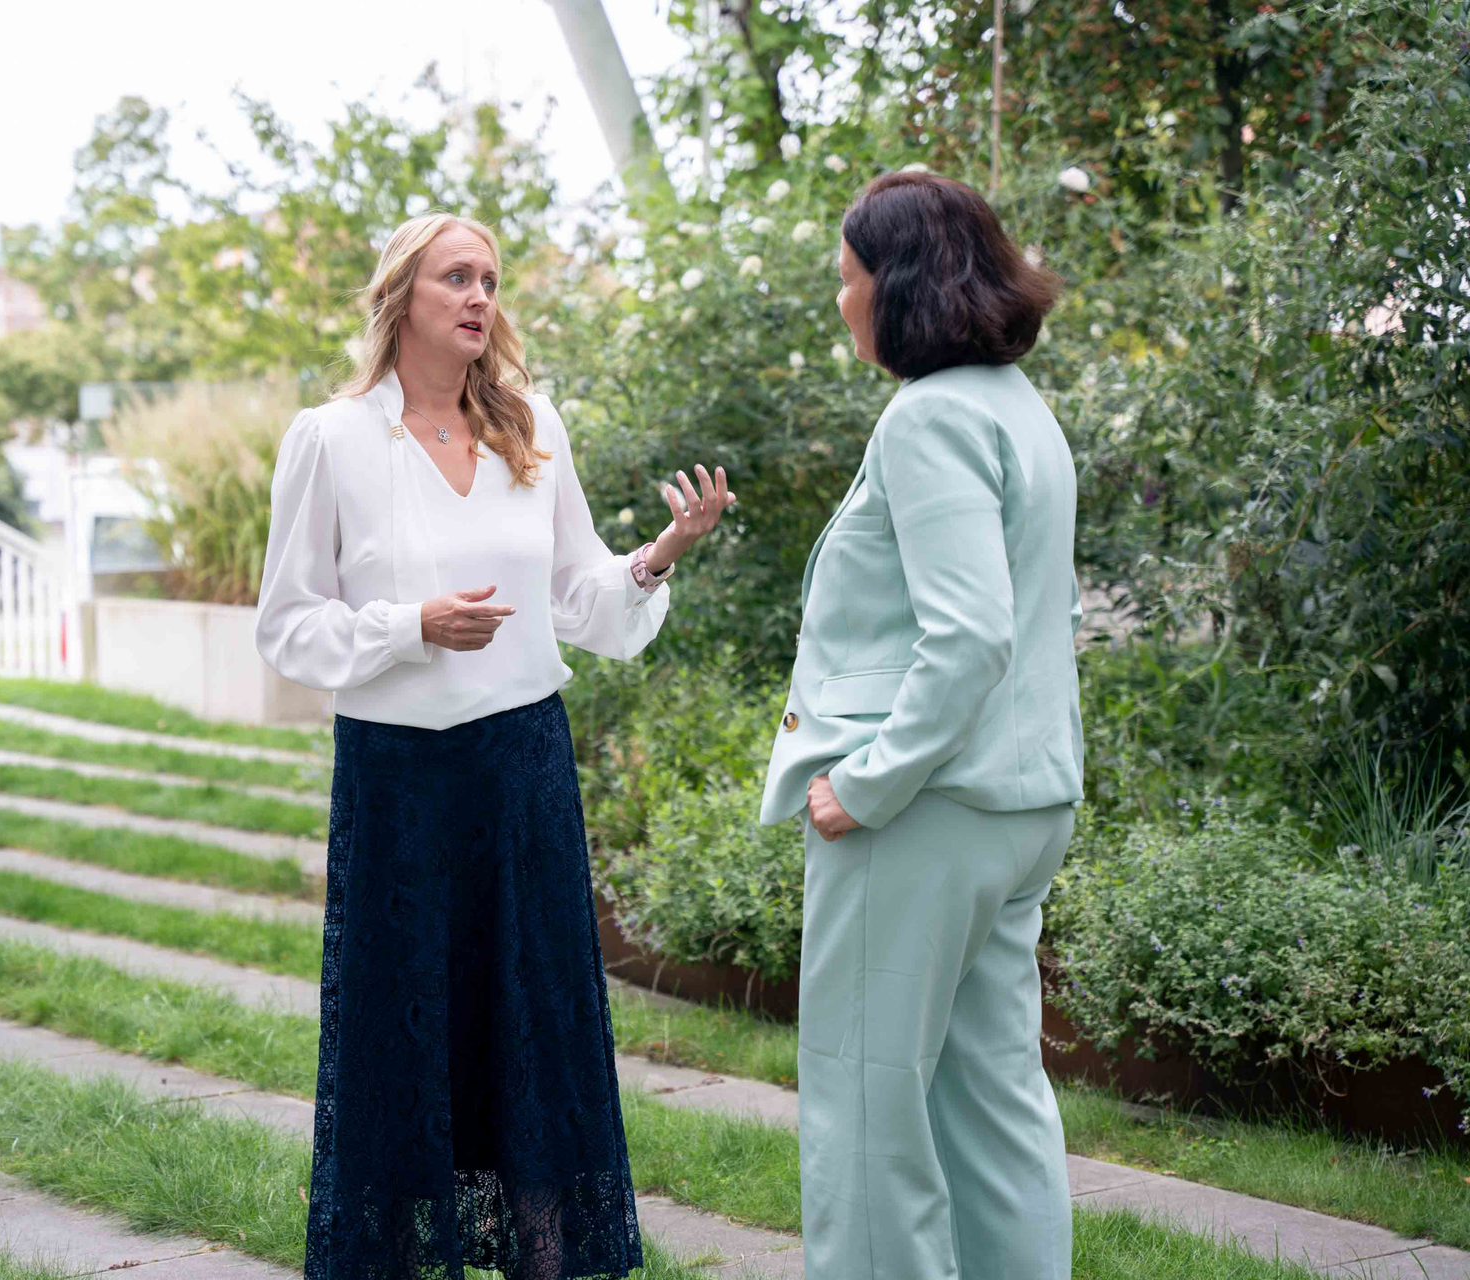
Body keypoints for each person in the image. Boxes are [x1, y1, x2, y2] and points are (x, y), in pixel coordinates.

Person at [256, 212, 735, 1280]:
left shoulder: (532, 426)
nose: (479, 296)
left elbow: (580, 596)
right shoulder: (331, 440)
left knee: (533, 1025)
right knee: (402, 1033)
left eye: (489, 279)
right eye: (456, 277)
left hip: (523, 772)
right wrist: (410, 626)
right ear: (402, 296)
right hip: (400, 780)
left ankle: (546, 1258)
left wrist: (659, 554)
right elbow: (286, 628)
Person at [760, 170, 1084, 1279]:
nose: (840, 298)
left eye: (846, 276)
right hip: (1022, 804)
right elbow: (1024, 621)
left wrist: (867, 783)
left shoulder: (930, 417)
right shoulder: (1018, 406)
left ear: (896, 285)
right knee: (995, 1102)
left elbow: (971, 636)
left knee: (865, 1107)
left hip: (924, 815)